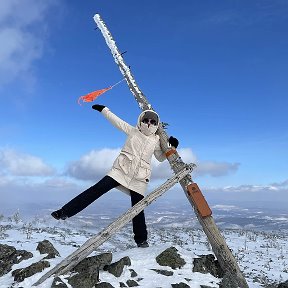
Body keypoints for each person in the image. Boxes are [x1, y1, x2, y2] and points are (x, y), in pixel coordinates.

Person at [51, 104, 179, 248]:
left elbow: (161, 158)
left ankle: (141, 241)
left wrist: (172, 147)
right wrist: (104, 110)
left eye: (152, 122)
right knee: (96, 190)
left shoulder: (156, 140)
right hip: (120, 171)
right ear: (141, 121)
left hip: (139, 178)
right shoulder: (133, 131)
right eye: (146, 120)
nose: (149, 124)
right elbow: (116, 121)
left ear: (156, 125)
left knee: (138, 209)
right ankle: (64, 212)